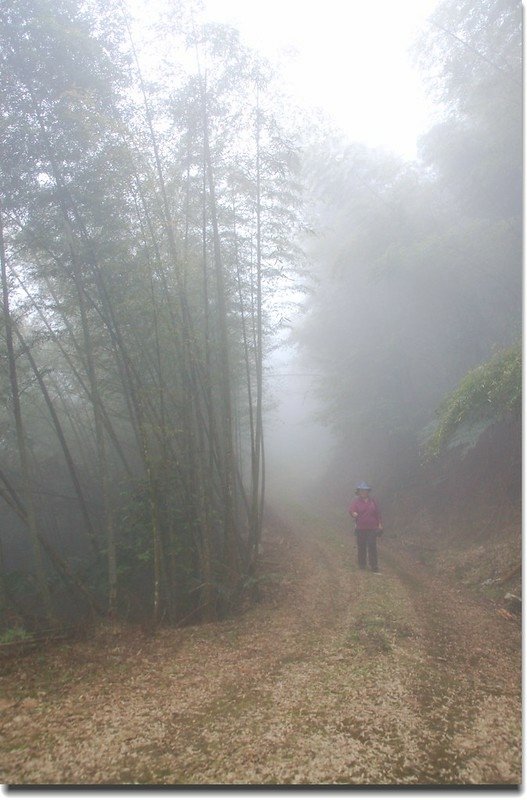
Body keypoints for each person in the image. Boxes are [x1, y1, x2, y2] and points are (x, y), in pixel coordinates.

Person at [348, 482, 383, 573]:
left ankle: (374, 566)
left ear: (368, 491)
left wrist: (380, 524)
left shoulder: (373, 501)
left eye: (365, 490)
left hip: (372, 527)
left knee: (372, 545)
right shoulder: (356, 501)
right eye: (361, 491)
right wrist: (353, 513)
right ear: (359, 492)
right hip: (360, 528)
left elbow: (378, 513)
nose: (363, 492)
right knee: (361, 546)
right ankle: (362, 564)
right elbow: (351, 510)